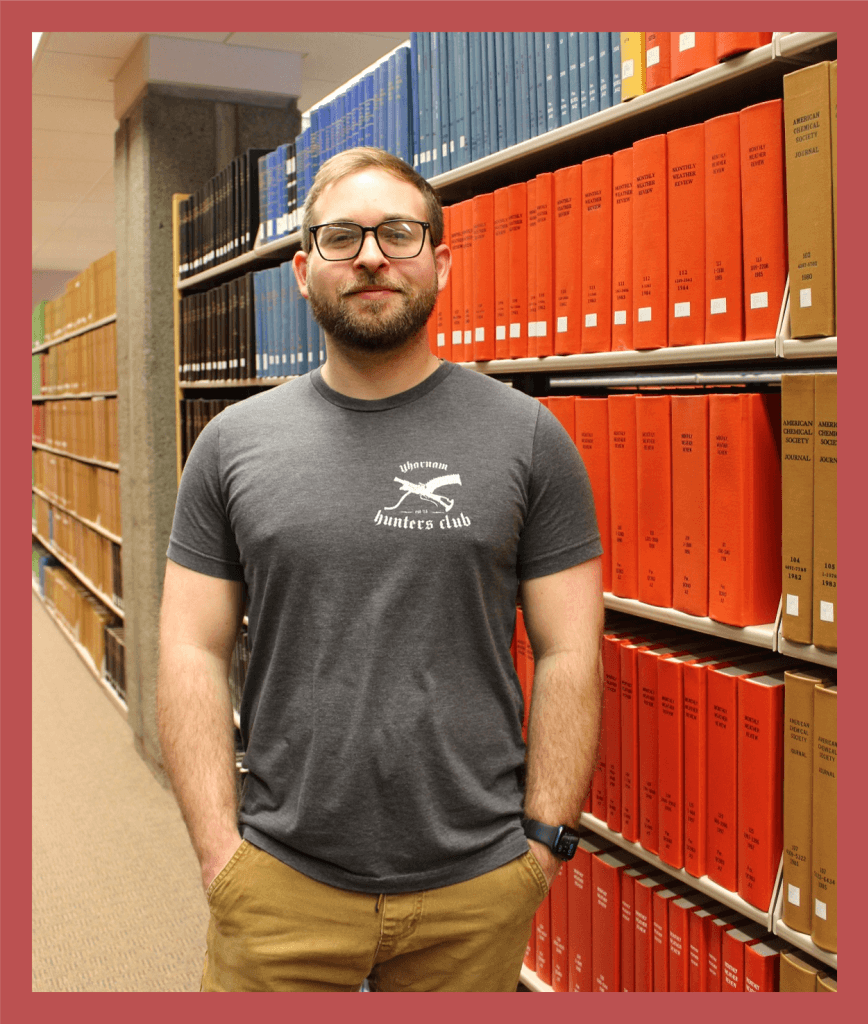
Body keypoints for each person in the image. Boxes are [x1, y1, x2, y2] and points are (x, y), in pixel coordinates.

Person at [157, 146, 604, 992]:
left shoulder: (530, 439)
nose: (369, 255)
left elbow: (571, 651)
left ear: (438, 258)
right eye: (339, 237)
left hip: (475, 884)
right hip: (280, 880)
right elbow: (189, 650)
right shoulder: (230, 446)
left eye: (397, 233)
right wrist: (220, 855)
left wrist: (541, 844)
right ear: (301, 270)